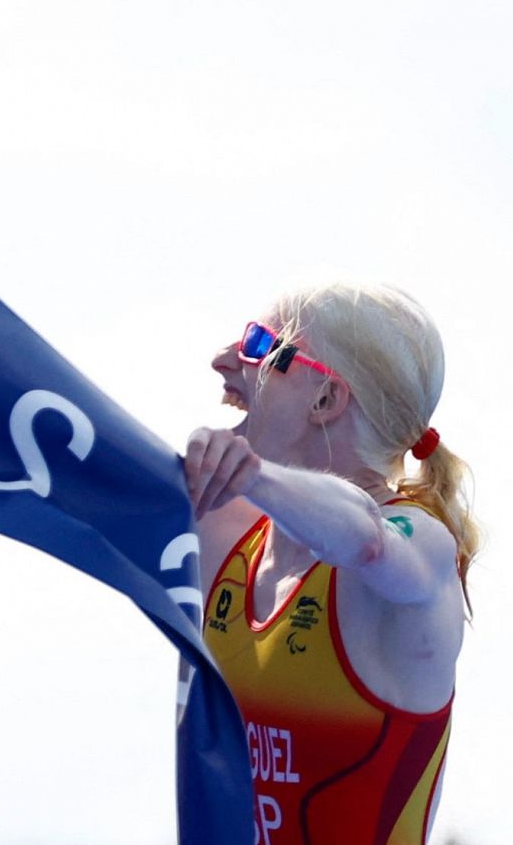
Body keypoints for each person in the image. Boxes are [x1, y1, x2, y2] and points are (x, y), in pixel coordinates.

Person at [183, 282, 475, 845]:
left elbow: (365, 537)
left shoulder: (422, 546)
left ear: (324, 400)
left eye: (260, 343)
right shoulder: (226, 529)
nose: (223, 361)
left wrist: (254, 476)